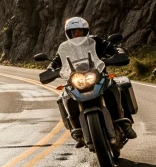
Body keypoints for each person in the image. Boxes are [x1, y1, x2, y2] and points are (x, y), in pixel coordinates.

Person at [49, 16, 136, 148]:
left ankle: (125, 124)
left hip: (99, 76)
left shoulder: (95, 41)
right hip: (76, 80)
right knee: (65, 96)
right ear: (69, 34)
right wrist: (50, 69)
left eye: (79, 31)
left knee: (116, 86)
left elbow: (111, 48)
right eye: (74, 32)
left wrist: (118, 53)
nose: (77, 34)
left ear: (85, 31)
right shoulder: (65, 48)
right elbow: (56, 61)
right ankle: (77, 129)